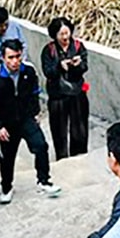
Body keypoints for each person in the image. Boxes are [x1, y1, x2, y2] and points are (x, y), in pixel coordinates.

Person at [0, 40, 59, 204]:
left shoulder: (29, 71)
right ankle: (6, 187)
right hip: (6, 124)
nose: (14, 61)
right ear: (3, 57)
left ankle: (44, 180)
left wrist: (35, 113)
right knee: (7, 157)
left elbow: (34, 93)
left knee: (40, 146)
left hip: (26, 119)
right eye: (10, 57)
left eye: (17, 56)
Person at [40, 16, 90, 161]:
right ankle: (62, 158)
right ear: (55, 35)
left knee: (79, 130)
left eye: (67, 33)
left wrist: (77, 64)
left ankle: (79, 157)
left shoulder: (79, 46)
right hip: (58, 96)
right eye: (61, 34)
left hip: (77, 93)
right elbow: (47, 71)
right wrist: (59, 66)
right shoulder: (49, 50)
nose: (65, 37)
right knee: (59, 130)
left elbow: (85, 67)